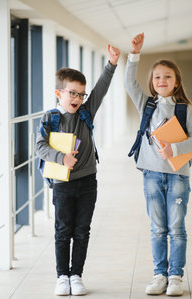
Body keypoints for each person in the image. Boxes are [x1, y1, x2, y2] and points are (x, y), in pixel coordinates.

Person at [36, 44, 120, 296]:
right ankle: (62, 276)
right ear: (58, 93)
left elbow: (101, 90)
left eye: (81, 94)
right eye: (72, 93)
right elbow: (40, 146)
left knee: (82, 230)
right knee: (63, 230)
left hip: (87, 182)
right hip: (62, 184)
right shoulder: (50, 118)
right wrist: (61, 158)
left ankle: (76, 275)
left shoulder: (86, 112)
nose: (77, 99)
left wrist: (112, 64)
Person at [125, 33, 192, 296]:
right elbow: (128, 82)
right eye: (157, 77)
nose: (162, 80)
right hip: (151, 175)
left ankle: (175, 277)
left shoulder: (184, 109)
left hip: (178, 176)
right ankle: (159, 275)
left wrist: (175, 148)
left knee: (176, 228)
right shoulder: (146, 105)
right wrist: (134, 54)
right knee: (157, 228)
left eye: (167, 76)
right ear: (152, 82)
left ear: (177, 81)